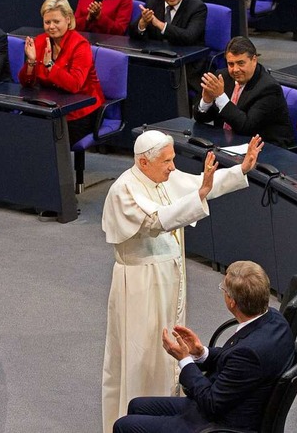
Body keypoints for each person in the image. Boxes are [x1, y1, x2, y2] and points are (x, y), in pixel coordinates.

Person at [101, 131, 263, 433]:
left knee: (168, 349)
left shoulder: (162, 176)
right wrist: (200, 193)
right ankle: (133, 421)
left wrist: (241, 169)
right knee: (142, 352)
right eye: (167, 161)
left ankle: (167, 416)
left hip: (167, 279)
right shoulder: (125, 189)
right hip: (140, 285)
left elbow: (200, 186)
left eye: (173, 159)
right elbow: (155, 222)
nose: (173, 167)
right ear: (143, 161)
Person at [112, 260, 295, 433]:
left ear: (232, 302)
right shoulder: (274, 319)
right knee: (136, 405)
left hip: (219, 422)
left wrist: (185, 360)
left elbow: (211, 403)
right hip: (233, 400)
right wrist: (201, 353)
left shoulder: (249, 354)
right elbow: (233, 361)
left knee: (124, 426)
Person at [19, 0, 105, 147]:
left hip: (80, 110)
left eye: (56, 22)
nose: (51, 27)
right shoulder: (40, 41)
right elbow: (26, 83)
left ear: (68, 20)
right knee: (22, 126)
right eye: (47, 22)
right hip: (50, 105)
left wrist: (51, 66)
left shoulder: (80, 46)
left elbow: (74, 85)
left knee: (46, 139)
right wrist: (31, 62)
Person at [193, 36, 294, 148]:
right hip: (228, 144)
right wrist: (206, 101)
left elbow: (246, 127)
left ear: (254, 60)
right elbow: (201, 118)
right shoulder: (223, 77)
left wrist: (220, 96)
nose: (235, 69)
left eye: (241, 63)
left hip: (266, 148)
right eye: (231, 64)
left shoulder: (268, 88)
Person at [129, 0, 207, 93]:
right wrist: (142, 23)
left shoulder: (197, 7)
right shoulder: (153, 0)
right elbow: (133, 33)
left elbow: (188, 37)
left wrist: (159, 24)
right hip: (157, 61)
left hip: (186, 65)